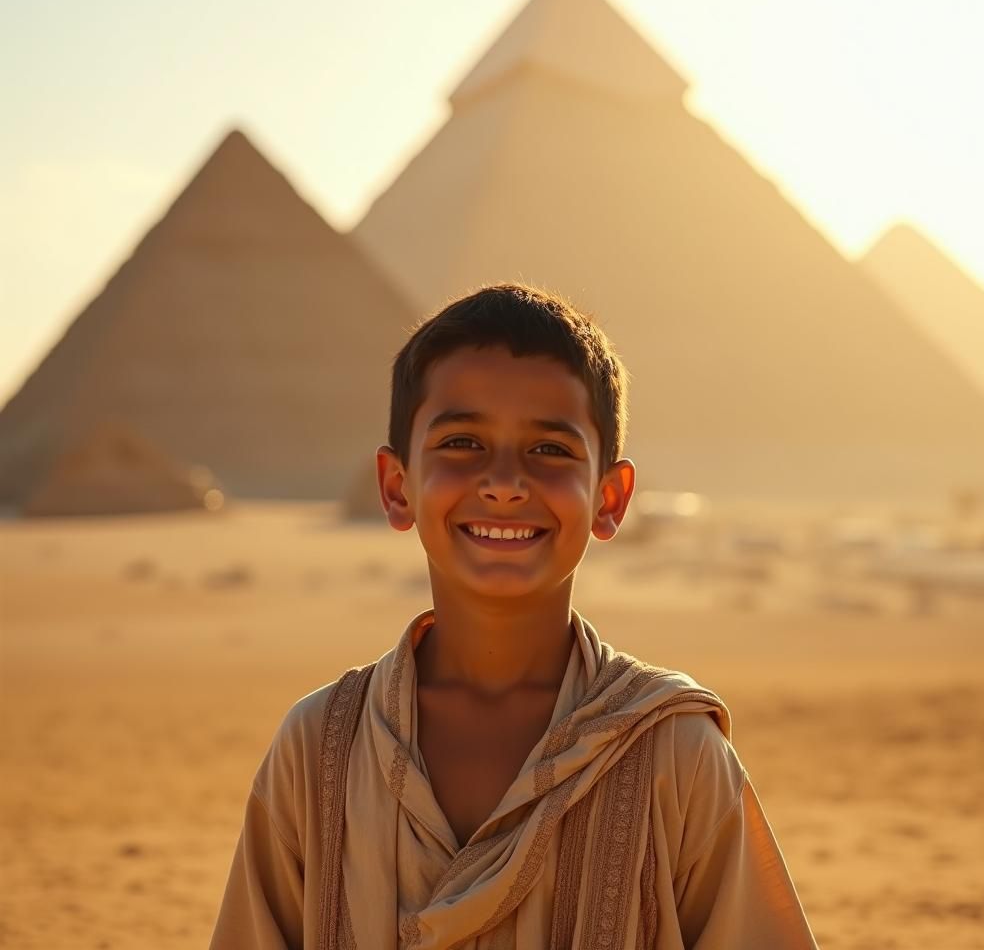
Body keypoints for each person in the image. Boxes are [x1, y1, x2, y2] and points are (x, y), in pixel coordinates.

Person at [210, 283, 818, 949]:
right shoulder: (320, 751)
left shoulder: (676, 755)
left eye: (550, 450)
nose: (504, 483)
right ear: (396, 487)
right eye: (462, 442)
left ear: (610, 499)